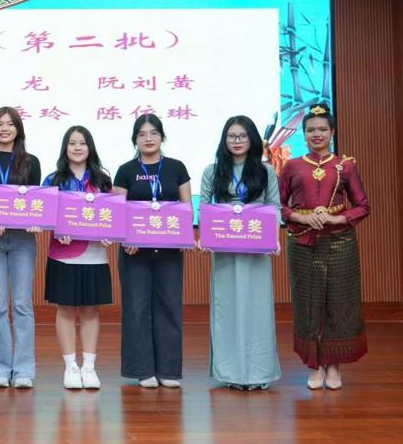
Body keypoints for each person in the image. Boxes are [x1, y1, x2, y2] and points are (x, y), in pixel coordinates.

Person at [279, 103, 369, 390]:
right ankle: (314, 365)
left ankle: (334, 365)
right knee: (308, 304)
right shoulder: (292, 166)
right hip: (303, 243)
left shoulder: (346, 165)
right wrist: (296, 215)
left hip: (340, 242)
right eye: (310, 130)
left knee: (339, 302)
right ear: (303, 134)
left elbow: (363, 206)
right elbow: (278, 206)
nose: (316, 134)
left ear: (332, 132)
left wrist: (335, 217)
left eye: (322, 129)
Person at [200, 116, 282, 390]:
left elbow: (275, 207)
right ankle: (232, 373)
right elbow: (205, 208)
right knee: (227, 308)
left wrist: (274, 237)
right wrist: (204, 236)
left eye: (242, 136)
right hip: (224, 249)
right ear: (224, 140)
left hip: (256, 249)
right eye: (231, 136)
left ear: (252, 140)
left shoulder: (266, 171)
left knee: (257, 308)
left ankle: (258, 372)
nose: (237, 141)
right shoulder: (212, 171)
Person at [113, 114, 192, 388]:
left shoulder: (176, 168)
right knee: (137, 308)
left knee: (169, 306)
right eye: (142, 134)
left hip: (169, 250)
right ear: (135, 139)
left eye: (153, 133)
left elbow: (186, 208)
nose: (148, 138)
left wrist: (185, 237)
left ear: (162, 136)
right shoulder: (125, 170)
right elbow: (116, 211)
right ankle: (142, 369)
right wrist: (126, 238)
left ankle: (169, 370)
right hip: (135, 252)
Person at [42, 125, 114, 390]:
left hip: (95, 254)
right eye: (72, 143)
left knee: (91, 309)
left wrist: (111, 234)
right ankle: (70, 366)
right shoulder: (53, 179)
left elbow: (113, 217)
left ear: (90, 147)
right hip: (63, 254)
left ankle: (89, 367)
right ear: (65, 148)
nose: (77, 147)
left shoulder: (103, 180)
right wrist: (57, 230)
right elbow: (44, 216)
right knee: (65, 308)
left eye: (82, 143)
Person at [0, 107, 41, 389]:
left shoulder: (31, 162)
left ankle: (25, 369)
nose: (4, 128)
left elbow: (36, 201)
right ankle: (1, 368)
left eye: (10, 124)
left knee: (21, 305)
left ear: (18, 128)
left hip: (22, 240)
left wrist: (35, 221)